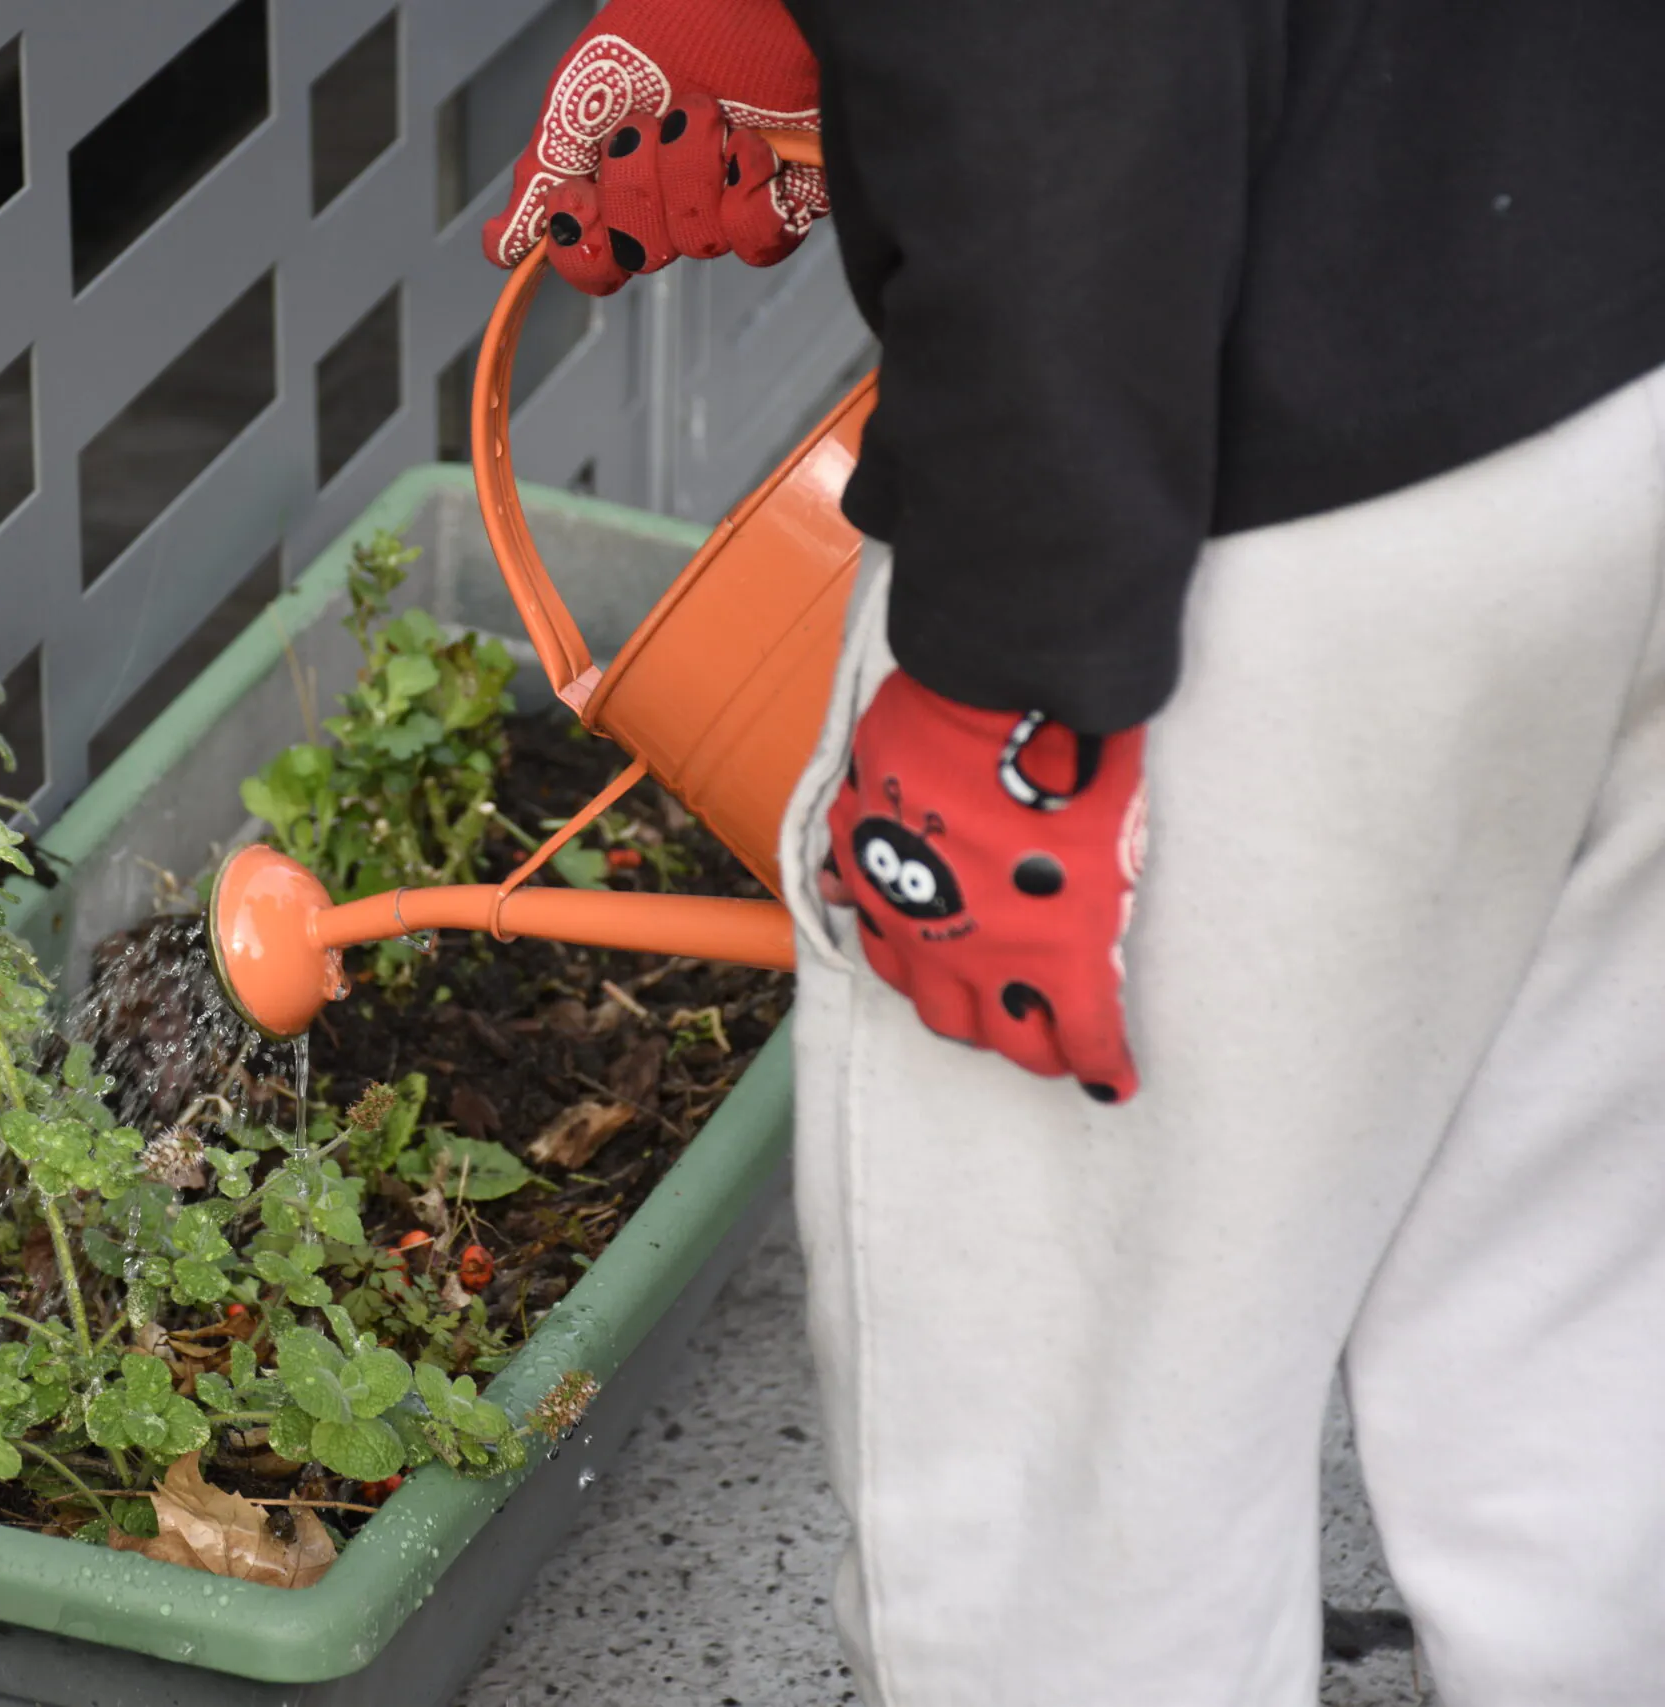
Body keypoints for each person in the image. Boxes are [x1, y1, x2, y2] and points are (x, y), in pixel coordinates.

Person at [482, 1, 1665, 1701]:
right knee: (1572, 1370)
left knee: (1076, 1536)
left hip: (1257, 497)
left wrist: (1009, 673)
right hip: (1610, 299)